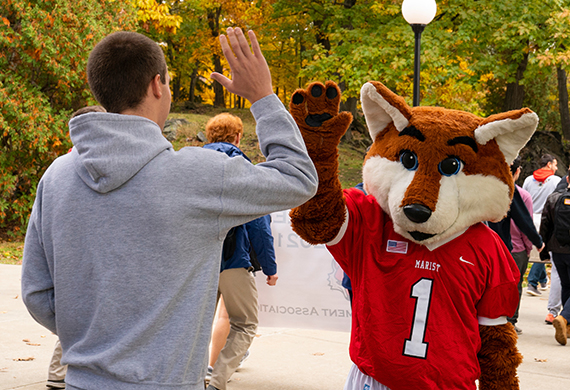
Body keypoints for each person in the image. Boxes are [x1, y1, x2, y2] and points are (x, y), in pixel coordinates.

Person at [21, 27, 317, 390]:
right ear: (156, 85)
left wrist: (96, 340)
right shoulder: (200, 176)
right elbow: (299, 177)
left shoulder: (56, 177)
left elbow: (37, 292)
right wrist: (263, 96)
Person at [202, 113, 278, 390]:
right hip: (233, 260)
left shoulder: (191, 164)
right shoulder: (243, 168)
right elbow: (258, 225)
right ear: (237, 137)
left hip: (198, 261)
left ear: (209, 137)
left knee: (195, 325)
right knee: (245, 324)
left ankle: (192, 378)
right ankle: (217, 380)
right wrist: (270, 268)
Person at [46, 105, 107, 390]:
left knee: (76, 315)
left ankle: (58, 371)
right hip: (87, 254)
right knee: (84, 317)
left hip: (70, 254)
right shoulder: (95, 167)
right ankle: (58, 372)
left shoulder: (60, 168)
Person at [488, 156, 544, 335]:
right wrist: (536, 243)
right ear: (517, 171)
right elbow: (524, 220)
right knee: (513, 285)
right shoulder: (512, 191)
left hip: (482, 245)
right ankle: (507, 322)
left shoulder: (484, 187)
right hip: (508, 247)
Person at [539, 169, 570, 345]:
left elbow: (545, 224)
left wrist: (544, 249)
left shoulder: (553, 198)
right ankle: (564, 318)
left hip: (557, 250)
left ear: (567, 179)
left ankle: (568, 325)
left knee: (566, 285)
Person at [523, 154, 561, 296]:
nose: (556, 168)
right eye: (555, 165)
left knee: (535, 251)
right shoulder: (556, 181)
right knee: (544, 251)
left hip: (529, 218)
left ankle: (543, 280)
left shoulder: (528, 179)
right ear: (549, 164)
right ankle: (532, 282)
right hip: (545, 219)